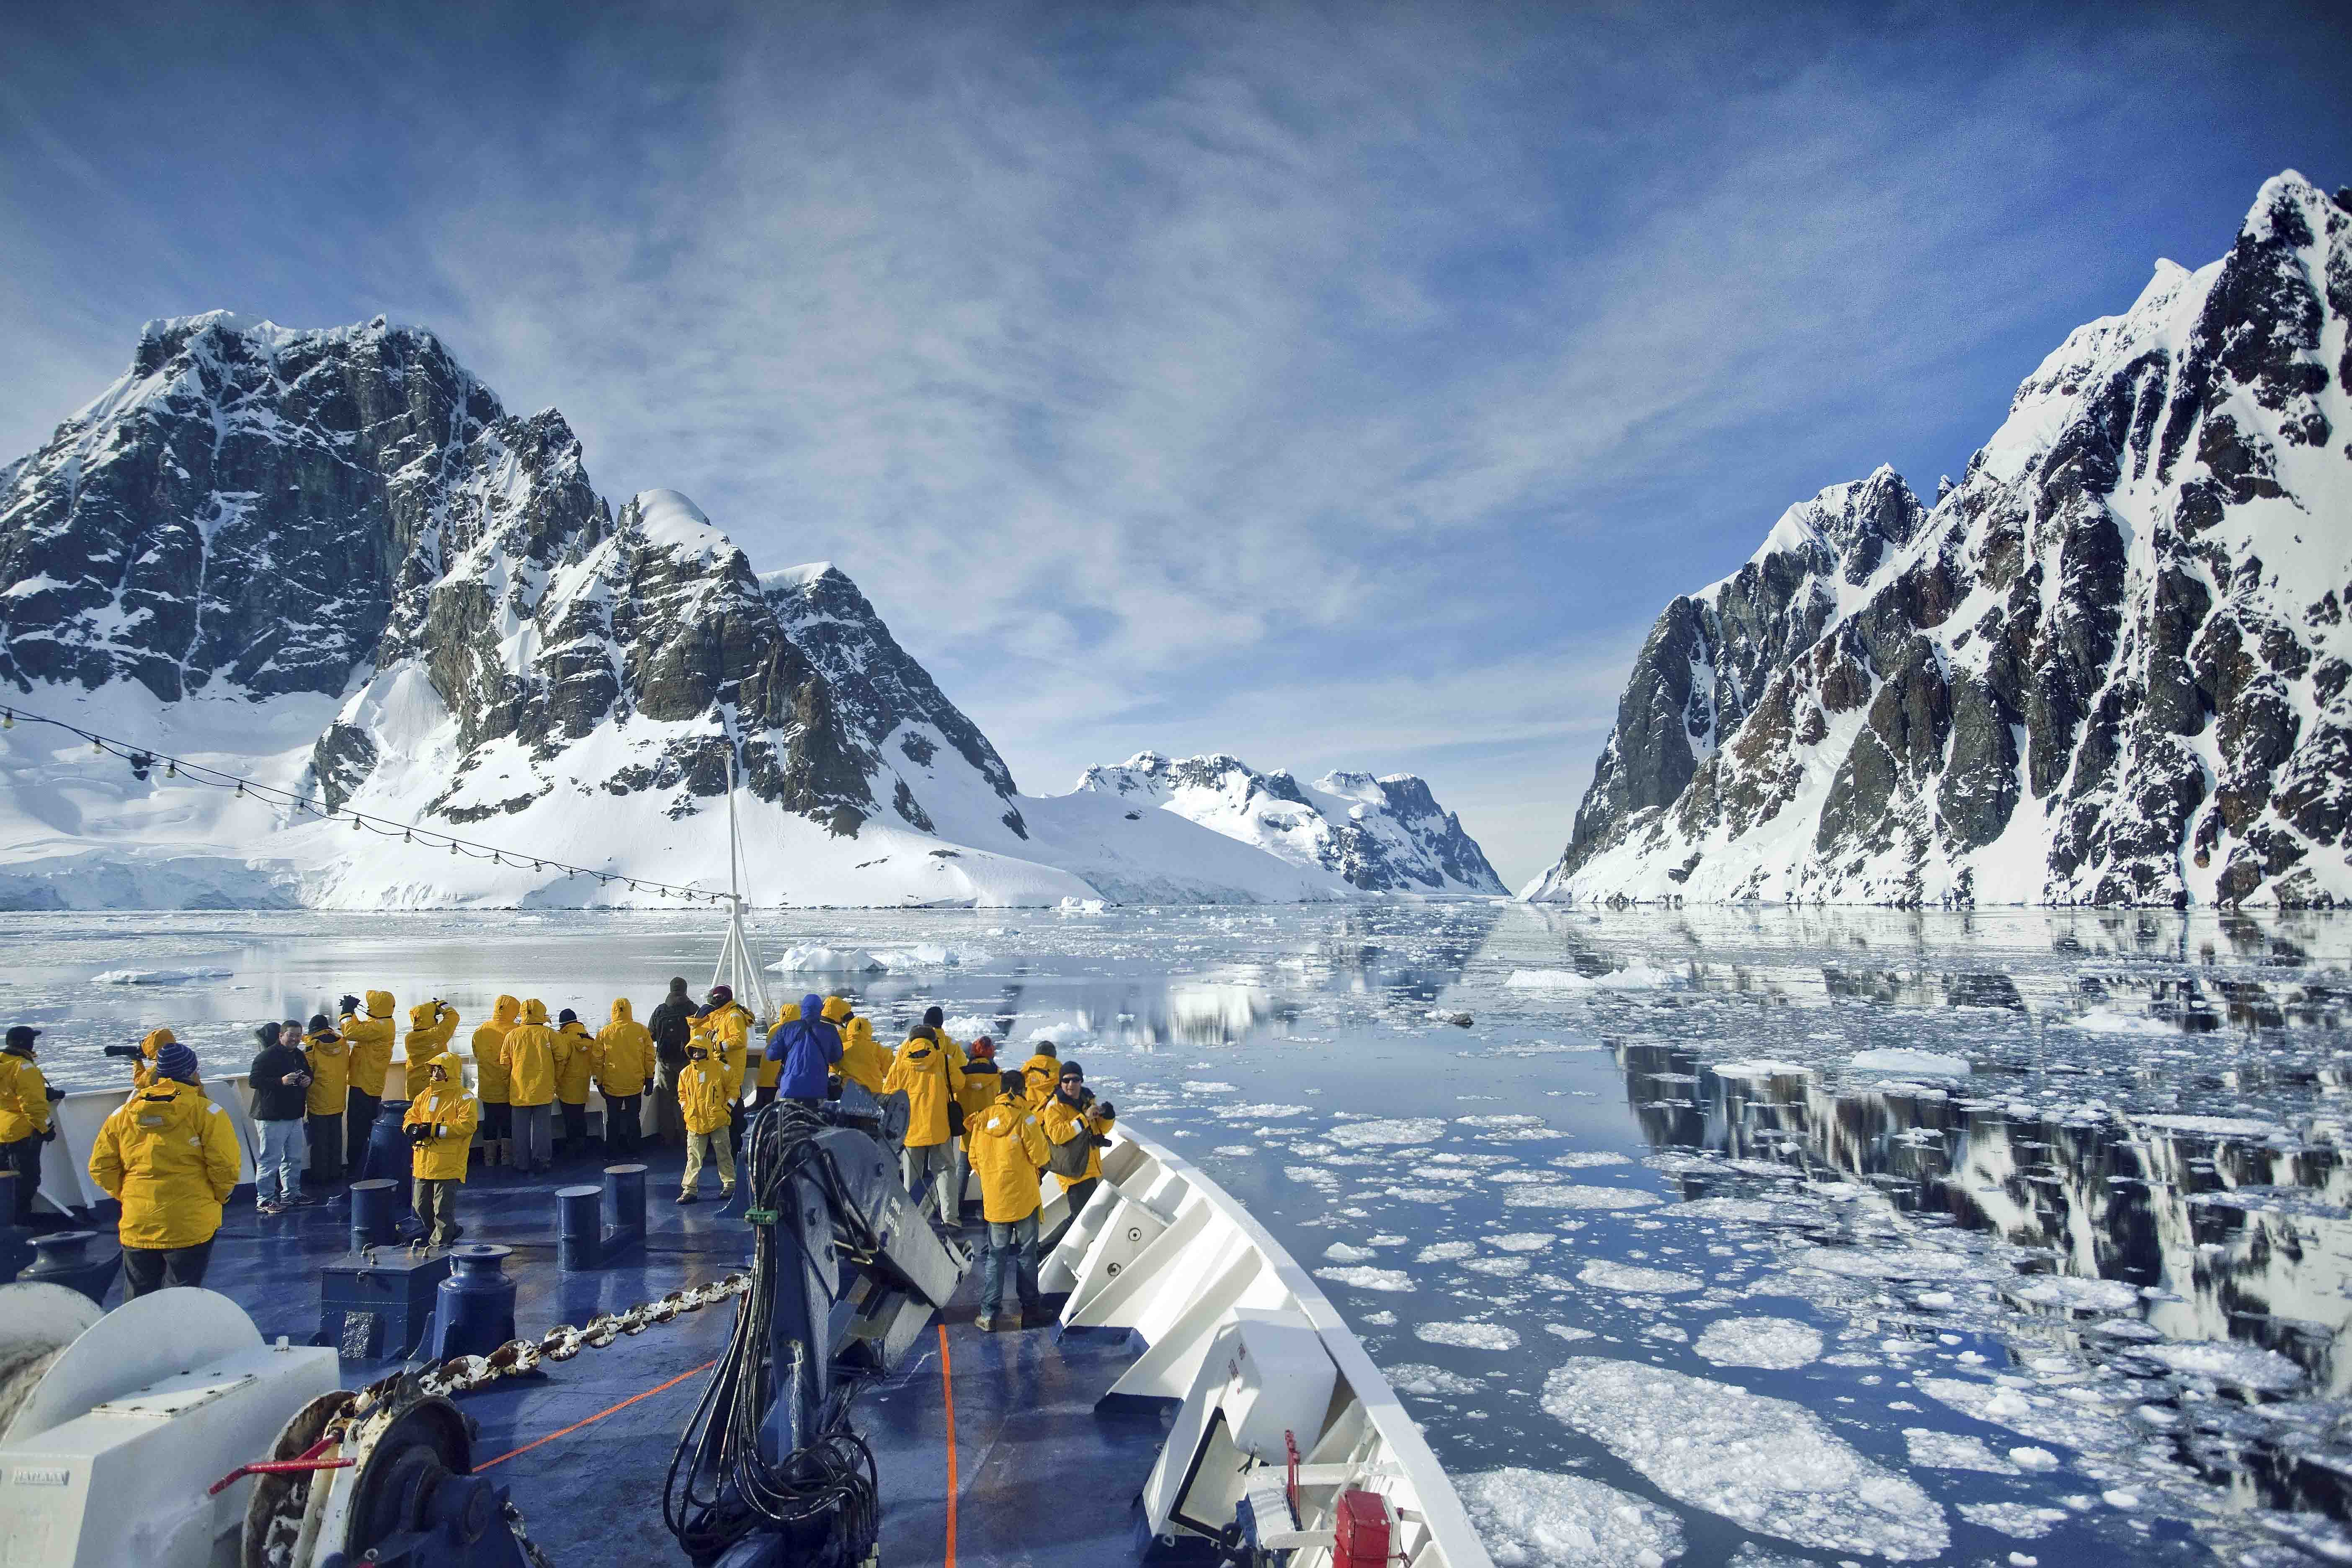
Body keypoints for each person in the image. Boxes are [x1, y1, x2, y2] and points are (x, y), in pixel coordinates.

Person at [88, 1040, 239, 1298]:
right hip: (189, 1223)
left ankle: (137, 1338)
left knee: (138, 1298)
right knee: (182, 1295)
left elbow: (101, 1167)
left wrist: (128, 1196)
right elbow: (225, 1167)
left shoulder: (123, 1114)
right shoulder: (208, 1113)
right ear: (192, 1072)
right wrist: (218, 1197)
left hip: (138, 1223)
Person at [967, 1070, 1051, 1331]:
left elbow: (973, 1159)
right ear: (1021, 1090)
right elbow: (1041, 1157)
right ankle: (1030, 1311)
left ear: (1001, 1090)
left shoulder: (982, 1120)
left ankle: (989, 1315)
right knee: (1026, 1255)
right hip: (1024, 1199)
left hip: (997, 1202)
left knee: (996, 1256)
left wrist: (993, 1180)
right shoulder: (1026, 1119)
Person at [884, 1022, 962, 1228]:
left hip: (912, 1130)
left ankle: (912, 1221)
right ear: (933, 1042)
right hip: (939, 1128)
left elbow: (889, 1092)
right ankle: (950, 1217)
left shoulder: (900, 1065)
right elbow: (960, 1083)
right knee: (945, 1171)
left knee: (912, 1177)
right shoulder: (944, 1060)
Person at [403, 1051, 480, 1246]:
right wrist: (412, 1128)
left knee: (443, 1209)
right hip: (423, 1161)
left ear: (451, 1072)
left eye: (441, 1069)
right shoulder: (424, 1096)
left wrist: (434, 1129)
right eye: (434, 1069)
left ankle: (441, 1245)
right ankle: (449, 1231)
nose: (436, 1073)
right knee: (420, 1206)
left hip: (448, 1162)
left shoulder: (464, 1097)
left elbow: (468, 1125)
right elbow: (411, 1116)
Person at [247, 1021, 315, 1215]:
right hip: (271, 1117)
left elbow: (309, 1073)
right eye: (291, 1035)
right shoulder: (267, 1056)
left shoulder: (299, 1055)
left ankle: (291, 1193)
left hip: (294, 1115)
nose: (295, 1039)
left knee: (293, 1158)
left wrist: (308, 1080)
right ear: (281, 1035)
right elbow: (254, 1081)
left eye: (298, 1035)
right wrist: (281, 1081)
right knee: (270, 1159)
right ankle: (265, 1200)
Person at [1040, 1060, 1116, 1226]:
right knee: (1080, 1220)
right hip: (1074, 1169)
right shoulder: (1054, 1107)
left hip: (1089, 1166)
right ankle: (1043, 1250)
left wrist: (1108, 1117)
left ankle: (1045, 1250)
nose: (1071, 1084)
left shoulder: (1087, 1100)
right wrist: (1085, 1118)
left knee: (1082, 1218)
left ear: (1081, 1081)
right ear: (1061, 1083)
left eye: (1075, 1080)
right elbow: (1057, 1136)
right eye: (1066, 1080)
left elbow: (1099, 1130)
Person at [1, 1026, 57, 1226]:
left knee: (5, 1182)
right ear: (27, 1043)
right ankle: (21, 1224)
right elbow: (32, 1106)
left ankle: (7, 1224)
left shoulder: (4, 1063)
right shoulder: (24, 1068)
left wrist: (46, 1093)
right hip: (21, 1134)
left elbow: (9, 1095)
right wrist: (46, 1129)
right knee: (26, 1181)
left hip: (2, 1132)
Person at [339, 991, 398, 1175]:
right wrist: (353, 1013)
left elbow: (350, 1032)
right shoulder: (382, 1024)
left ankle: (356, 1168)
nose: (369, 1008)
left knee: (358, 1128)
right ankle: (365, 1165)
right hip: (368, 1082)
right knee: (364, 1127)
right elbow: (360, 1029)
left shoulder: (380, 1027)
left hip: (365, 1084)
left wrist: (346, 1012)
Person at [676, 1044, 739, 1204]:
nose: (697, 1054)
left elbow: (734, 1090)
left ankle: (730, 1185)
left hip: (718, 1120)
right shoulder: (685, 1073)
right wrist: (686, 1109)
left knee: (724, 1154)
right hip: (695, 1122)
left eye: (700, 1051)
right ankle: (689, 1190)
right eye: (694, 1051)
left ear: (708, 1052)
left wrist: (726, 1109)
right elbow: (682, 1094)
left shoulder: (723, 1070)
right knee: (693, 1157)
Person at [501, 1000, 559, 1175]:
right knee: (543, 1128)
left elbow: (504, 1063)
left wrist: (509, 1084)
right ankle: (542, 1161)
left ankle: (521, 1163)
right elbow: (563, 1054)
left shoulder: (512, 1035)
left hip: (519, 1090)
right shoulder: (548, 1034)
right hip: (543, 1088)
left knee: (520, 1130)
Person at [950, 1038, 1002, 1230]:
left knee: (963, 1169)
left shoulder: (962, 1076)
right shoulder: (997, 1076)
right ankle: (987, 1211)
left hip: (968, 1128)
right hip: (989, 1130)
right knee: (988, 1172)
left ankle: (956, 1209)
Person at [594, 998, 656, 1157]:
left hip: (612, 1085)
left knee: (613, 1120)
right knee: (633, 1119)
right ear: (630, 1010)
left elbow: (597, 1060)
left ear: (613, 1011)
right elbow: (650, 1057)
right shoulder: (641, 1031)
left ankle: (611, 1152)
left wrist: (599, 1083)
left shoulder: (605, 1033)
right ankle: (635, 1151)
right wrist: (650, 1079)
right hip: (635, 1084)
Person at [766, 992, 842, 1106]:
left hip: (790, 1088)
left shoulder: (787, 1028)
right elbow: (837, 1057)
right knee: (815, 1122)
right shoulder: (830, 1030)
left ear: (802, 1009)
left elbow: (771, 1055)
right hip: (818, 1090)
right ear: (820, 1010)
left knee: (788, 1122)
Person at [471, 995, 521, 1169]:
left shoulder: (481, 1030)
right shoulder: (517, 1031)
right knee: (508, 1122)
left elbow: (476, 1053)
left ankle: (489, 1159)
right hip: (510, 1087)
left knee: (490, 1122)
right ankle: (507, 1158)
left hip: (488, 1086)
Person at [300, 1014, 349, 1188]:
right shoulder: (343, 1044)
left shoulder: (312, 1047)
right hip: (338, 1098)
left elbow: (307, 1069)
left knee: (320, 1141)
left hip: (318, 1099)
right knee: (336, 1138)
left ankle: (320, 1176)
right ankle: (335, 1173)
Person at [647, 977, 694, 1149]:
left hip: (664, 1062)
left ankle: (667, 1138)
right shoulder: (692, 1009)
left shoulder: (660, 1011)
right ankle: (687, 1137)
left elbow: (650, 1036)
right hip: (686, 1063)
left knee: (666, 1100)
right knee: (687, 1099)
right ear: (685, 990)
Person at [553, 1008, 596, 1158]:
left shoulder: (564, 1039)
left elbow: (561, 1063)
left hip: (566, 1088)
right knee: (580, 1116)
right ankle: (583, 1146)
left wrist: (554, 1083)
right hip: (583, 1086)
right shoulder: (589, 1038)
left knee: (570, 1119)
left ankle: (573, 1149)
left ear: (562, 1025)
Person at [750, 998, 795, 1110]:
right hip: (776, 1084)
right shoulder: (793, 1031)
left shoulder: (774, 1029)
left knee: (761, 1110)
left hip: (763, 1082)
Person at [402, 998, 459, 1070]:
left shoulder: (409, 1038)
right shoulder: (437, 1034)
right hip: (433, 1079)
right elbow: (453, 1016)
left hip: (414, 1080)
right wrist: (442, 1005)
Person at [1020, 1039, 1060, 1108]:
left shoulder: (1026, 1070)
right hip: (1051, 1112)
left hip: (1027, 1114)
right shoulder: (1062, 1074)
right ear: (1054, 1054)